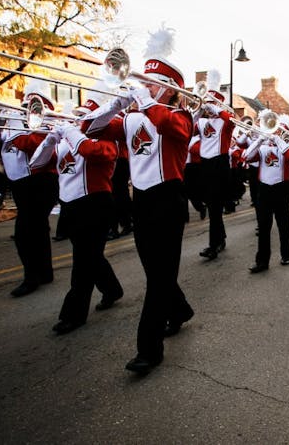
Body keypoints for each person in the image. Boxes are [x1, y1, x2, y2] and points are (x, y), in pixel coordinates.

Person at [84, 26, 193, 375]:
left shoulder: (180, 116)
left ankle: (150, 350)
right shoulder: (133, 116)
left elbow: (170, 127)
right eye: (144, 80)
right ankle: (179, 310)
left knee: (158, 279)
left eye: (153, 82)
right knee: (155, 272)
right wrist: (113, 104)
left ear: (171, 89)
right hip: (142, 201)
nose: (145, 86)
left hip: (168, 201)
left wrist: (143, 99)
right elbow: (93, 130)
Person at [29, 96, 124, 335]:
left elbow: (91, 151)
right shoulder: (66, 141)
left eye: (85, 116)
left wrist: (70, 132)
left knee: (83, 262)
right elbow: (35, 165)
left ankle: (73, 314)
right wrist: (50, 141)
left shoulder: (108, 142)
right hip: (71, 207)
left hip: (96, 204)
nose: (79, 120)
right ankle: (112, 289)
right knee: (90, 256)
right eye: (78, 115)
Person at [0, 80, 59, 297]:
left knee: (25, 232)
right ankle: (44, 272)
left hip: (41, 182)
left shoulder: (46, 122)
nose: (26, 108)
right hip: (20, 184)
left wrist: (16, 124)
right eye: (25, 103)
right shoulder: (12, 125)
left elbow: (35, 146)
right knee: (38, 229)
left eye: (32, 105)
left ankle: (31, 277)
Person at [242, 116, 289, 273]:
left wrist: (278, 139)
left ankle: (286, 255)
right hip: (264, 190)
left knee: (283, 225)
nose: (274, 130)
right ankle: (262, 262)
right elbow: (246, 156)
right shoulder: (262, 147)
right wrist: (259, 139)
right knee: (264, 227)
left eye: (277, 128)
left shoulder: (286, 146)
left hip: (282, 189)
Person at [194, 69, 234, 260]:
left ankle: (214, 244)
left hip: (219, 163)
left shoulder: (225, 121)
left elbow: (231, 120)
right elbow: (187, 128)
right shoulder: (202, 121)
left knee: (215, 206)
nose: (208, 108)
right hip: (205, 164)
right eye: (206, 104)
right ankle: (221, 238)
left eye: (211, 105)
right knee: (212, 205)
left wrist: (217, 108)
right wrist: (199, 109)